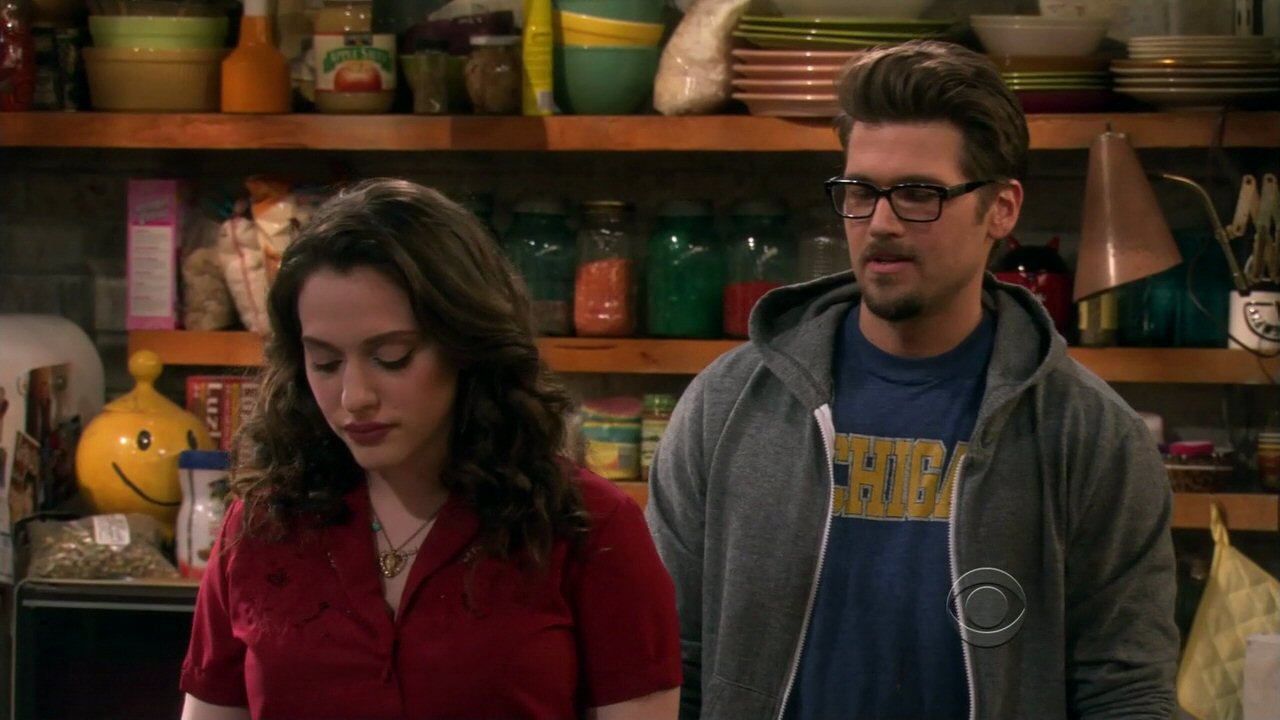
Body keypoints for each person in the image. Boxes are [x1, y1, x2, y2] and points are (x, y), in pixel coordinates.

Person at [646, 40, 1178, 720]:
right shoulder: (727, 404)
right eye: (860, 193)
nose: (881, 223)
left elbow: (1125, 691)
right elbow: (668, 662)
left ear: (1001, 208)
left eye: (919, 194)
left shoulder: (1090, 433)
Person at [180, 179, 682, 720]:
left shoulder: (588, 527)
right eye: (325, 362)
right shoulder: (261, 527)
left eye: (392, 357)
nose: (354, 397)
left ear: (466, 345)